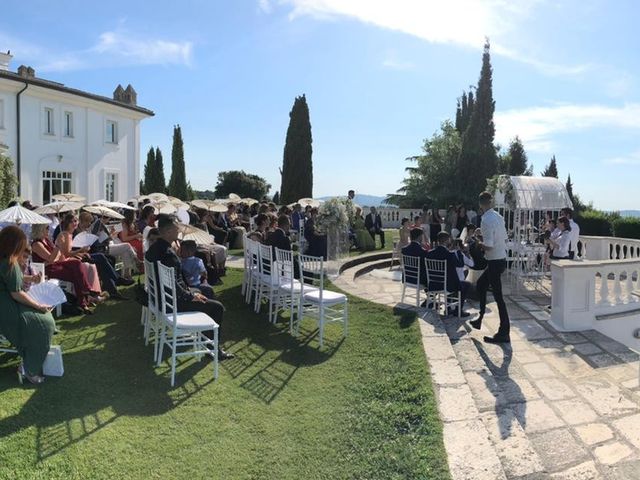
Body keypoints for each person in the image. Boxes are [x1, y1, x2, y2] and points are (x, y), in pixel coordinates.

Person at [145, 215, 233, 360]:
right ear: (167, 232)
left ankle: (205, 334)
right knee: (217, 307)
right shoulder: (167, 253)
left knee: (207, 290)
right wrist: (191, 295)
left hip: (162, 297)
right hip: (173, 302)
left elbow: (173, 282)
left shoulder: (154, 249)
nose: (178, 230)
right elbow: (173, 284)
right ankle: (213, 349)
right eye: (176, 228)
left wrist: (192, 291)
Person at [0, 226, 56, 385]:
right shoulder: (9, 263)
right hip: (7, 309)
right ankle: (29, 368)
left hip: (7, 305)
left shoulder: (5, 261)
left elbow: (12, 282)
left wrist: (29, 280)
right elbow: (16, 293)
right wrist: (38, 305)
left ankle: (28, 363)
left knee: (42, 318)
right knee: (44, 323)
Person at [470, 191, 510, 344]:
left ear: (480, 204)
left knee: (499, 298)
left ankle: (504, 332)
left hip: (494, 261)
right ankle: (480, 319)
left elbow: (489, 246)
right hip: (501, 259)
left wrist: (478, 242)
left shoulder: (485, 220)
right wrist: (483, 237)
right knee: (481, 285)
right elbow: (503, 238)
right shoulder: (498, 217)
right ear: (491, 202)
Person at [31, 224, 96, 314]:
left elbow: (57, 256)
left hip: (55, 264)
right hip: (47, 270)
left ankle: (85, 294)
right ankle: (84, 300)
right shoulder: (37, 244)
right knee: (75, 274)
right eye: (47, 228)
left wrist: (54, 254)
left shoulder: (46, 240)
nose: (48, 230)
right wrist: (58, 246)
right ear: (40, 229)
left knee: (76, 263)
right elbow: (52, 258)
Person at [425, 231, 469, 317]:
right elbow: (460, 264)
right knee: (466, 284)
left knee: (451, 279)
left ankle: (448, 309)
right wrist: (459, 252)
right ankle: (458, 310)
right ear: (447, 240)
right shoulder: (449, 255)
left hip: (433, 284)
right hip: (446, 285)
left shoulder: (430, 253)